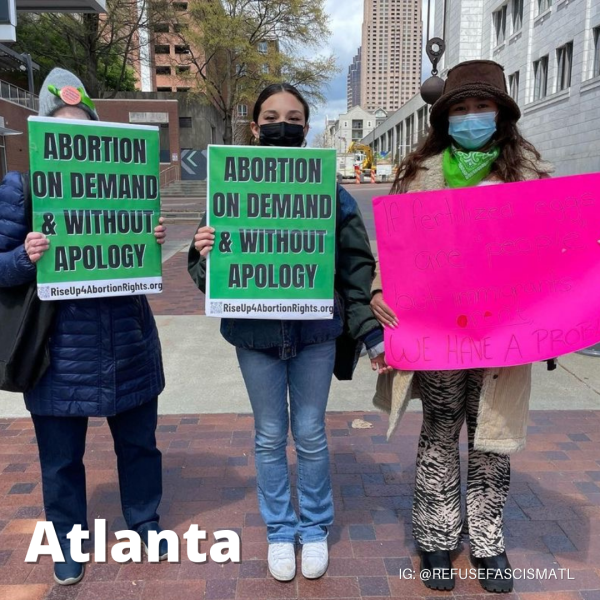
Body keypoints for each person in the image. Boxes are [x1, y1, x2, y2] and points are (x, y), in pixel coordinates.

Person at [188, 83, 390, 581]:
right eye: (273, 116)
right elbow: (207, 278)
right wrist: (204, 253)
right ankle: (280, 530)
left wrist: (369, 333)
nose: (283, 125)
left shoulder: (331, 191)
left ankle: (315, 527)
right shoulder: (228, 186)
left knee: (311, 434)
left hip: (316, 334)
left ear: (305, 128)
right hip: (255, 336)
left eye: (294, 118)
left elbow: (356, 266)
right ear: (255, 127)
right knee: (270, 435)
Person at [370, 60, 553, 594]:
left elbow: (553, 256)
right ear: (445, 117)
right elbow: (393, 247)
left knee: (491, 438)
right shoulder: (417, 173)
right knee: (439, 432)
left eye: (482, 106)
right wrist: (380, 289)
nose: (471, 116)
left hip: (503, 337)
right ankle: (436, 539)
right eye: (461, 108)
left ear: (501, 115)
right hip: (437, 334)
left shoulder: (531, 177)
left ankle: (489, 542)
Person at [0, 68, 168, 586]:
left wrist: (149, 240)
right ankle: (67, 542)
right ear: (44, 136)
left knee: (139, 444)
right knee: (60, 459)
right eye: (62, 128)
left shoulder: (127, 183)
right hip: (58, 352)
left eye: (83, 126)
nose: (75, 137)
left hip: (127, 339)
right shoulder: (21, 187)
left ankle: (145, 522)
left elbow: (137, 259)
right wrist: (26, 259)